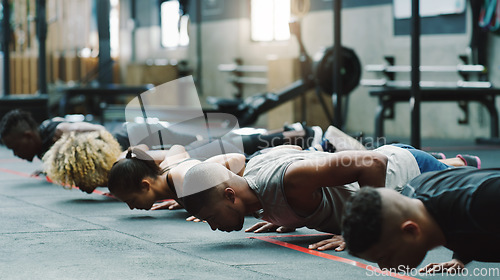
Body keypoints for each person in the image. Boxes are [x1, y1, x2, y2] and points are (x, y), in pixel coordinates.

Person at [179, 143, 475, 250]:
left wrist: (359, 228)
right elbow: (293, 151)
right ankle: (459, 163)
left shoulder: (290, 182)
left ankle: (460, 166)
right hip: (400, 163)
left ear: (230, 195)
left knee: (479, 198)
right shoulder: (254, 184)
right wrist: (286, 214)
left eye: (212, 218)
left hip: (411, 173)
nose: (214, 227)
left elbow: (373, 163)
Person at [341, 167, 500, 273]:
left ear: (411, 230)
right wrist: (461, 256)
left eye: (385, 258)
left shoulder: (484, 202)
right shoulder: (414, 192)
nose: (384, 269)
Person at [107, 144, 246, 211]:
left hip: (255, 164)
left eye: (131, 200)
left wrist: (213, 204)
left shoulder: (184, 179)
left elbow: (237, 160)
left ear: (145, 185)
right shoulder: (168, 169)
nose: (131, 207)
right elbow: (177, 148)